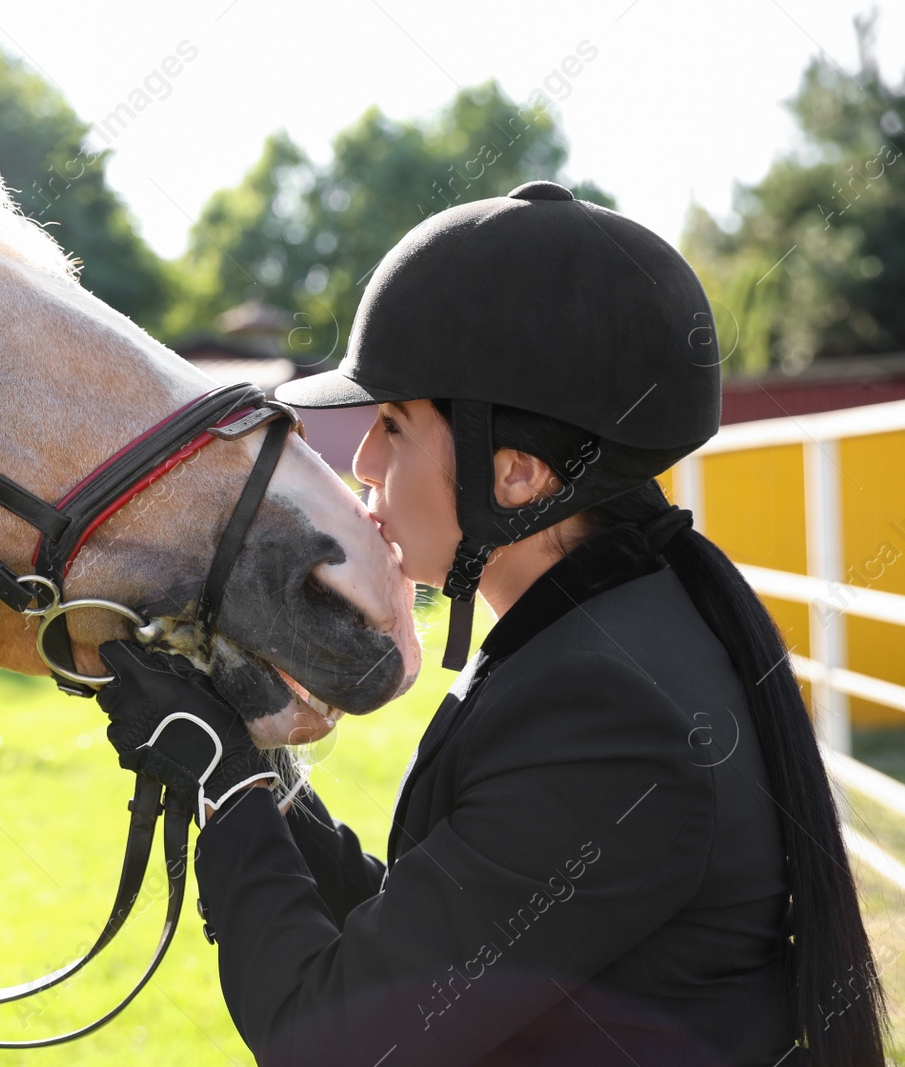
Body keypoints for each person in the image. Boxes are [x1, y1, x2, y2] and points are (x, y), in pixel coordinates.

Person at [96, 181, 886, 1066]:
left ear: (515, 476)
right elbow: (435, 942)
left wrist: (225, 783)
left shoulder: (605, 709)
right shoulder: (602, 633)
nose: (362, 461)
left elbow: (337, 1041)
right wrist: (261, 771)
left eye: (392, 424)